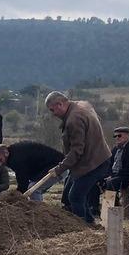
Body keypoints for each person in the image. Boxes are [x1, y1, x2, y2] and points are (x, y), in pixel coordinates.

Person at [44, 91, 111, 224]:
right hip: (91, 160)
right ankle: (90, 222)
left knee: (74, 196)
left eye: (52, 110)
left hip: (94, 163)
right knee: (74, 192)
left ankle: (83, 228)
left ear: (60, 104)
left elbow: (76, 151)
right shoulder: (81, 105)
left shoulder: (74, 120)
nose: (53, 114)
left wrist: (59, 169)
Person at [0, 142, 64, 201]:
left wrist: (17, 195)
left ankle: (37, 213)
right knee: (33, 188)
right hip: (49, 166)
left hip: (58, 166)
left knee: (33, 190)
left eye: (0, 160)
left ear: (6, 153)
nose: (0, 164)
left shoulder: (16, 158)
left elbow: (23, 180)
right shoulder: (14, 153)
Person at [104, 126, 129, 192]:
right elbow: (109, 164)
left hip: (125, 177)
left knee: (110, 183)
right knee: (94, 182)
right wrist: (109, 174)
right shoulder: (115, 149)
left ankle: (110, 202)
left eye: (119, 135)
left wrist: (113, 176)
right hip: (113, 175)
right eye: (115, 136)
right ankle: (93, 202)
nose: (117, 138)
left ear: (127, 136)